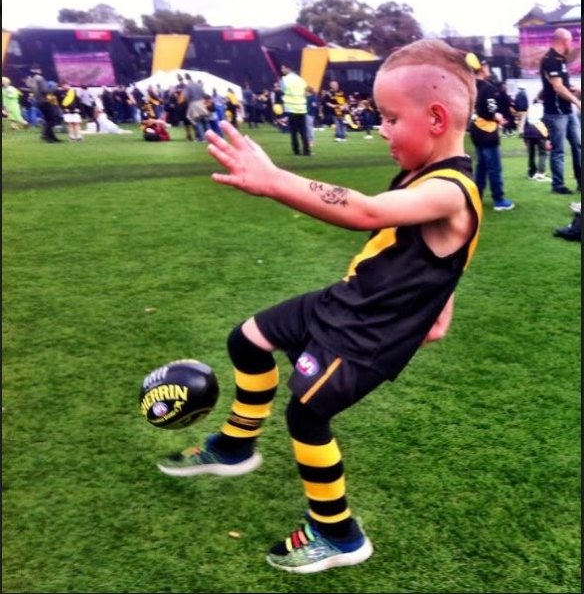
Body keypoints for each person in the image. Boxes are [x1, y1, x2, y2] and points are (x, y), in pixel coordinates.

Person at [156, 39, 483, 574]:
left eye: (389, 117)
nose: (381, 129)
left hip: (366, 331)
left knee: (307, 414)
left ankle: (339, 534)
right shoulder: (426, 176)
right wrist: (443, 298)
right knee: (248, 339)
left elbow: (367, 211)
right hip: (345, 299)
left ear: (436, 117)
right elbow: (438, 252)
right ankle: (237, 446)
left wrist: (275, 181)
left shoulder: (451, 187)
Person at [468, 53, 515, 211]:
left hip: (475, 130)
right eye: (486, 65)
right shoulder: (488, 88)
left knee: (481, 166)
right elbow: (490, 111)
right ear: (481, 68)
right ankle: (499, 200)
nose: (488, 68)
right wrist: (499, 117)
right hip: (487, 132)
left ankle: (477, 196)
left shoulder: (470, 86)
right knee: (494, 167)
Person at [539, 27, 582, 195]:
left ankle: (580, 181)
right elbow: (558, 87)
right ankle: (558, 185)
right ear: (564, 41)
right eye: (570, 41)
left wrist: (575, 90)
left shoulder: (561, 60)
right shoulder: (550, 60)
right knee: (558, 150)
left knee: (578, 145)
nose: (571, 45)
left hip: (567, 110)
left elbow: (564, 86)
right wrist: (577, 101)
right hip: (555, 112)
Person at [281, 62, 311, 156]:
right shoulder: (301, 80)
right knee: (303, 131)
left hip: (291, 108)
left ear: (287, 69)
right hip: (301, 108)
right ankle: (307, 151)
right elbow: (306, 93)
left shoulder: (284, 80)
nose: (282, 70)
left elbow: (282, 91)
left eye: (283, 68)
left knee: (293, 132)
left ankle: (296, 150)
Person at [523, 93, 551, 182]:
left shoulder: (530, 108)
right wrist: (549, 138)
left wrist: (524, 138)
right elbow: (547, 122)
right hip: (540, 131)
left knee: (531, 153)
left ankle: (532, 173)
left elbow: (525, 122)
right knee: (542, 153)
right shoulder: (545, 108)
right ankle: (541, 173)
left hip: (528, 132)